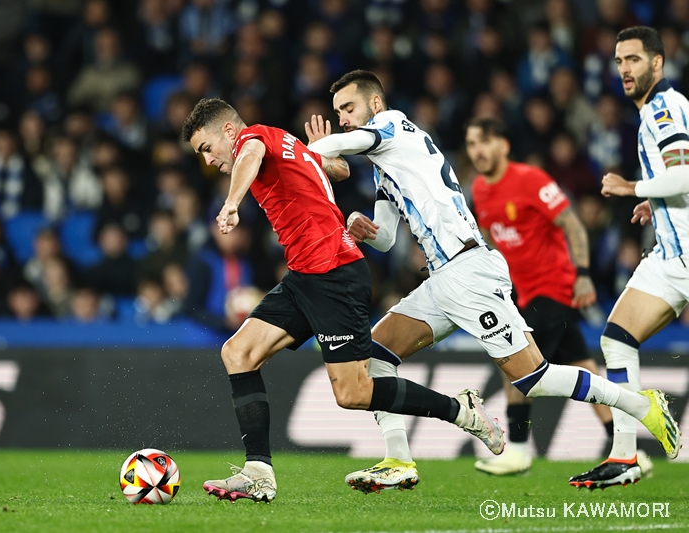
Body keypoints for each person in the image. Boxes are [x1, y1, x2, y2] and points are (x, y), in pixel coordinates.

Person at [305, 69, 680, 494]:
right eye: (337, 113)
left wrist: (310, 153)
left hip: (469, 273)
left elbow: (345, 143)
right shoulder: (383, 167)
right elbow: (388, 239)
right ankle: (399, 460)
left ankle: (640, 404)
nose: (343, 119)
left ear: (374, 104)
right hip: (441, 279)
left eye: (349, 108)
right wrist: (360, 225)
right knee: (375, 355)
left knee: (532, 380)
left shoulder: (391, 125)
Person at [182, 97, 507, 503]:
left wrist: (232, 203)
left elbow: (249, 151)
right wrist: (327, 162)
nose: (208, 160)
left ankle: (461, 410)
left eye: (206, 149)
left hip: (334, 273)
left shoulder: (254, 139)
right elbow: (331, 169)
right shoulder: (284, 141)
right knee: (238, 353)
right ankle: (258, 472)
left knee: (353, 392)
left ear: (228, 131)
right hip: (306, 275)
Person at [466, 117, 624, 476]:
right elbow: (489, 239)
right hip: (523, 295)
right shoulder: (480, 189)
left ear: (503, 146)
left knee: (514, 362)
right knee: (585, 367)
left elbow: (571, 222)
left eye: (485, 142)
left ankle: (518, 450)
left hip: (553, 288)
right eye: (472, 143)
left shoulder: (531, 180)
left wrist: (582, 274)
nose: (478, 150)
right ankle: (626, 447)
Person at [570, 26, 689, 490]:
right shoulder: (657, 112)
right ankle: (625, 455)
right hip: (671, 258)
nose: (624, 68)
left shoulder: (663, 107)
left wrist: (631, 188)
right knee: (616, 340)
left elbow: (683, 176)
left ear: (657, 64)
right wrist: (654, 203)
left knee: (615, 342)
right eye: (619, 60)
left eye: (634, 60)